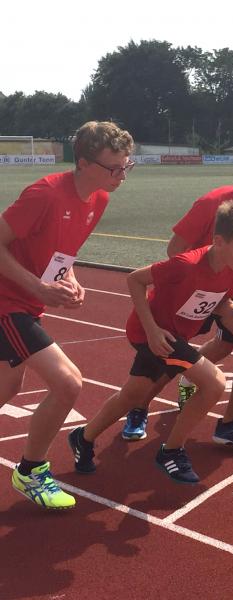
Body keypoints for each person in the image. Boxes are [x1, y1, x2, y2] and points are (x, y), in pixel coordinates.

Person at [120, 140, 233, 451]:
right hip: (191, 290)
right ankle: (139, 407)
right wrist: (198, 285)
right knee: (168, 359)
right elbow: (175, 249)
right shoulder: (212, 203)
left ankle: (230, 423)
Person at [68, 201, 233, 484]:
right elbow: (135, 280)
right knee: (214, 383)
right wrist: (152, 330)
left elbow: (220, 300)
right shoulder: (186, 265)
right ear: (219, 241)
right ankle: (171, 451)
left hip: (176, 337)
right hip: (153, 335)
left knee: (132, 395)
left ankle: (83, 438)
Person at [0, 121, 134, 510]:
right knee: (68, 383)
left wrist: (70, 280)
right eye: (114, 168)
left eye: (126, 166)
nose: (121, 176)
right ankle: (31, 472)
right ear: (84, 163)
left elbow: (63, 252)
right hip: (6, 302)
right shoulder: (44, 194)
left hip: (27, 302)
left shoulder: (98, 199)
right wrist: (38, 287)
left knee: (7, 387)